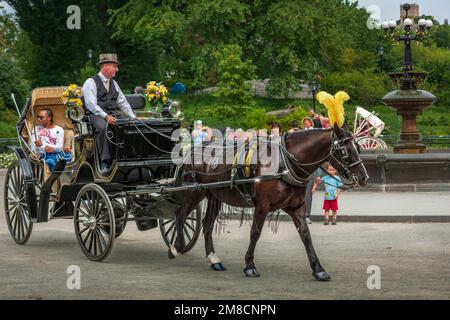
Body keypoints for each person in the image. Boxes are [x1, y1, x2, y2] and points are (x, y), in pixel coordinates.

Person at [82, 53, 136, 175]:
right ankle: (104, 161)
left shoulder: (114, 83)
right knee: (103, 127)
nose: (117, 69)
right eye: (114, 66)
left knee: (129, 125)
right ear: (105, 66)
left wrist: (133, 117)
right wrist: (105, 117)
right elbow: (90, 104)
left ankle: (127, 156)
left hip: (112, 112)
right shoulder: (90, 82)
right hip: (95, 114)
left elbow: (122, 102)